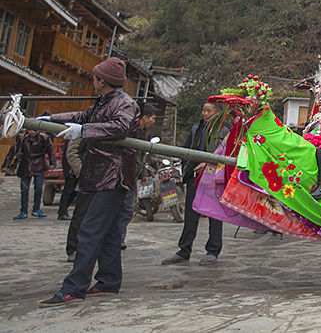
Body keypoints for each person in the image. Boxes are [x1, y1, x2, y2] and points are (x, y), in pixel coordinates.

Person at [38, 57, 139, 307]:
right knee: (111, 233)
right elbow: (83, 115)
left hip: (112, 176)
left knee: (90, 231)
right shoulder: (104, 102)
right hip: (99, 174)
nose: (93, 81)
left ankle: (74, 287)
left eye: (94, 77)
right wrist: (52, 119)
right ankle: (108, 281)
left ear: (101, 81)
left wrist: (83, 131)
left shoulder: (125, 104)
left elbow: (120, 128)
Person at [161, 102, 228, 267]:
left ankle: (213, 250)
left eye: (209, 110)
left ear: (218, 112)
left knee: (214, 215)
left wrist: (208, 164)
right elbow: (187, 150)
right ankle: (184, 250)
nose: (204, 113)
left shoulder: (225, 131)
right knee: (190, 215)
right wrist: (185, 171)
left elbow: (226, 154)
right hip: (194, 177)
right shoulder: (196, 128)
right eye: (203, 110)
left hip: (213, 178)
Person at [119, 106, 156, 250]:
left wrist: (143, 173)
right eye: (152, 118)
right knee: (124, 209)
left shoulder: (143, 133)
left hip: (133, 175)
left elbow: (141, 155)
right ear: (144, 117)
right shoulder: (131, 131)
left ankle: (119, 237)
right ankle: (117, 237)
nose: (153, 121)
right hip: (124, 175)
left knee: (127, 209)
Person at [4, 128, 54, 219]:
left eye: (34, 130)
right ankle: (23, 211)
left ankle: (36, 209)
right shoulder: (22, 139)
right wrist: (6, 165)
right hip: (25, 166)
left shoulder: (44, 138)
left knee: (38, 189)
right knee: (24, 190)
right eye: (30, 130)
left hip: (39, 165)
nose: (32, 132)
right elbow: (12, 151)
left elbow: (50, 149)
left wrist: (52, 162)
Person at [56, 135, 83, 221]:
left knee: (73, 191)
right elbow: (71, 155)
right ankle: (62, 211)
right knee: (68, 191)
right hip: (72, 170)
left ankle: (63, 210)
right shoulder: (73, 140)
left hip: (72, 169)